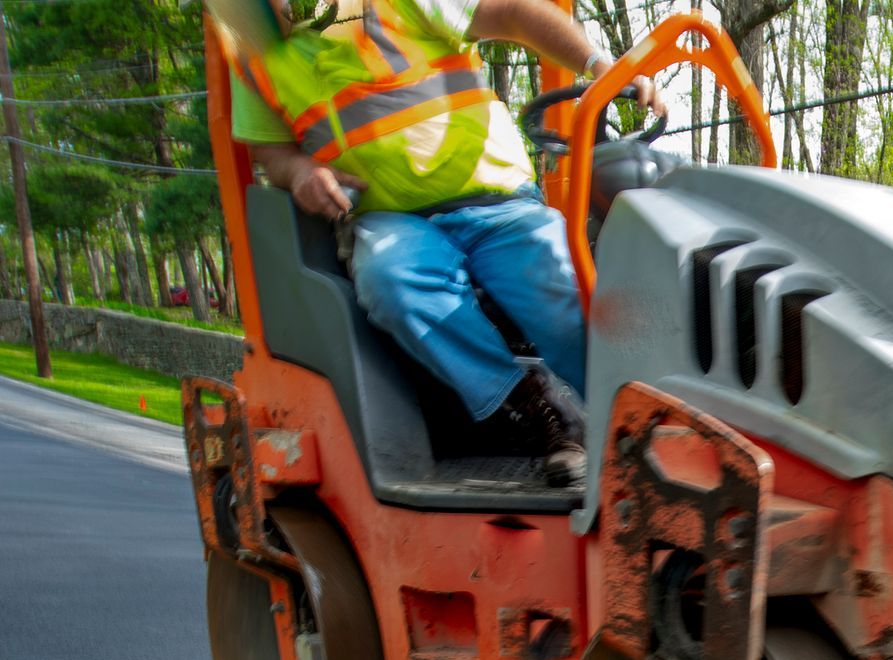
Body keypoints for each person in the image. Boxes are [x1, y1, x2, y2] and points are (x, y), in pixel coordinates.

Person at [227, 0, 666, 487]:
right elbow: (270, 149)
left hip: (496, 200)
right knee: (389, 279)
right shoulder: (254, 55)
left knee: (560, 278)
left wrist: (601, 65)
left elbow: (514, 14)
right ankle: (544, 413)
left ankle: (646, 425)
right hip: (390, 219)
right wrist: (302, 173)